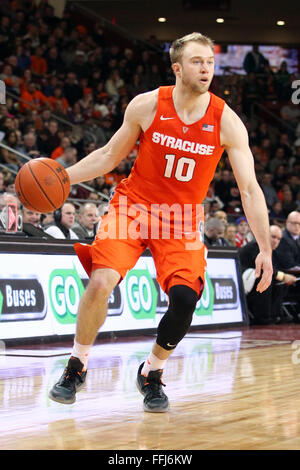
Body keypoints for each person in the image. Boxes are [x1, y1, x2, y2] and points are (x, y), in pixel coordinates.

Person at [49, 32, 273, 412]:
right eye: (197, 62)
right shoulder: (148, 105)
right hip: (133, 207)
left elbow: (250, 190)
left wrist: (265, 247)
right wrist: (64, 177)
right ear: (177, 68)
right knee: (102, 278)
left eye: (211, 62)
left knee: (186, 298)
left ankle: (151, 371)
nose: (206, 69)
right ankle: (76, 366)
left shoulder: (227, 121)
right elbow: (108, 155)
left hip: (181, 220)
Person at [240, 225, 297, 325]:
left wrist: (283, 276)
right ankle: (262, 317)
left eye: (278, 239)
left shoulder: (270, 250)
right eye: (273, 237)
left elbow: (274, 269)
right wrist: (283, 276)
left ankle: (275, 315)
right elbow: (263, 268)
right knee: (267, 279)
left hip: (254, 276)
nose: (276, 241)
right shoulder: (256, 245)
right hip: (243, 278)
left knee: (279, 281)